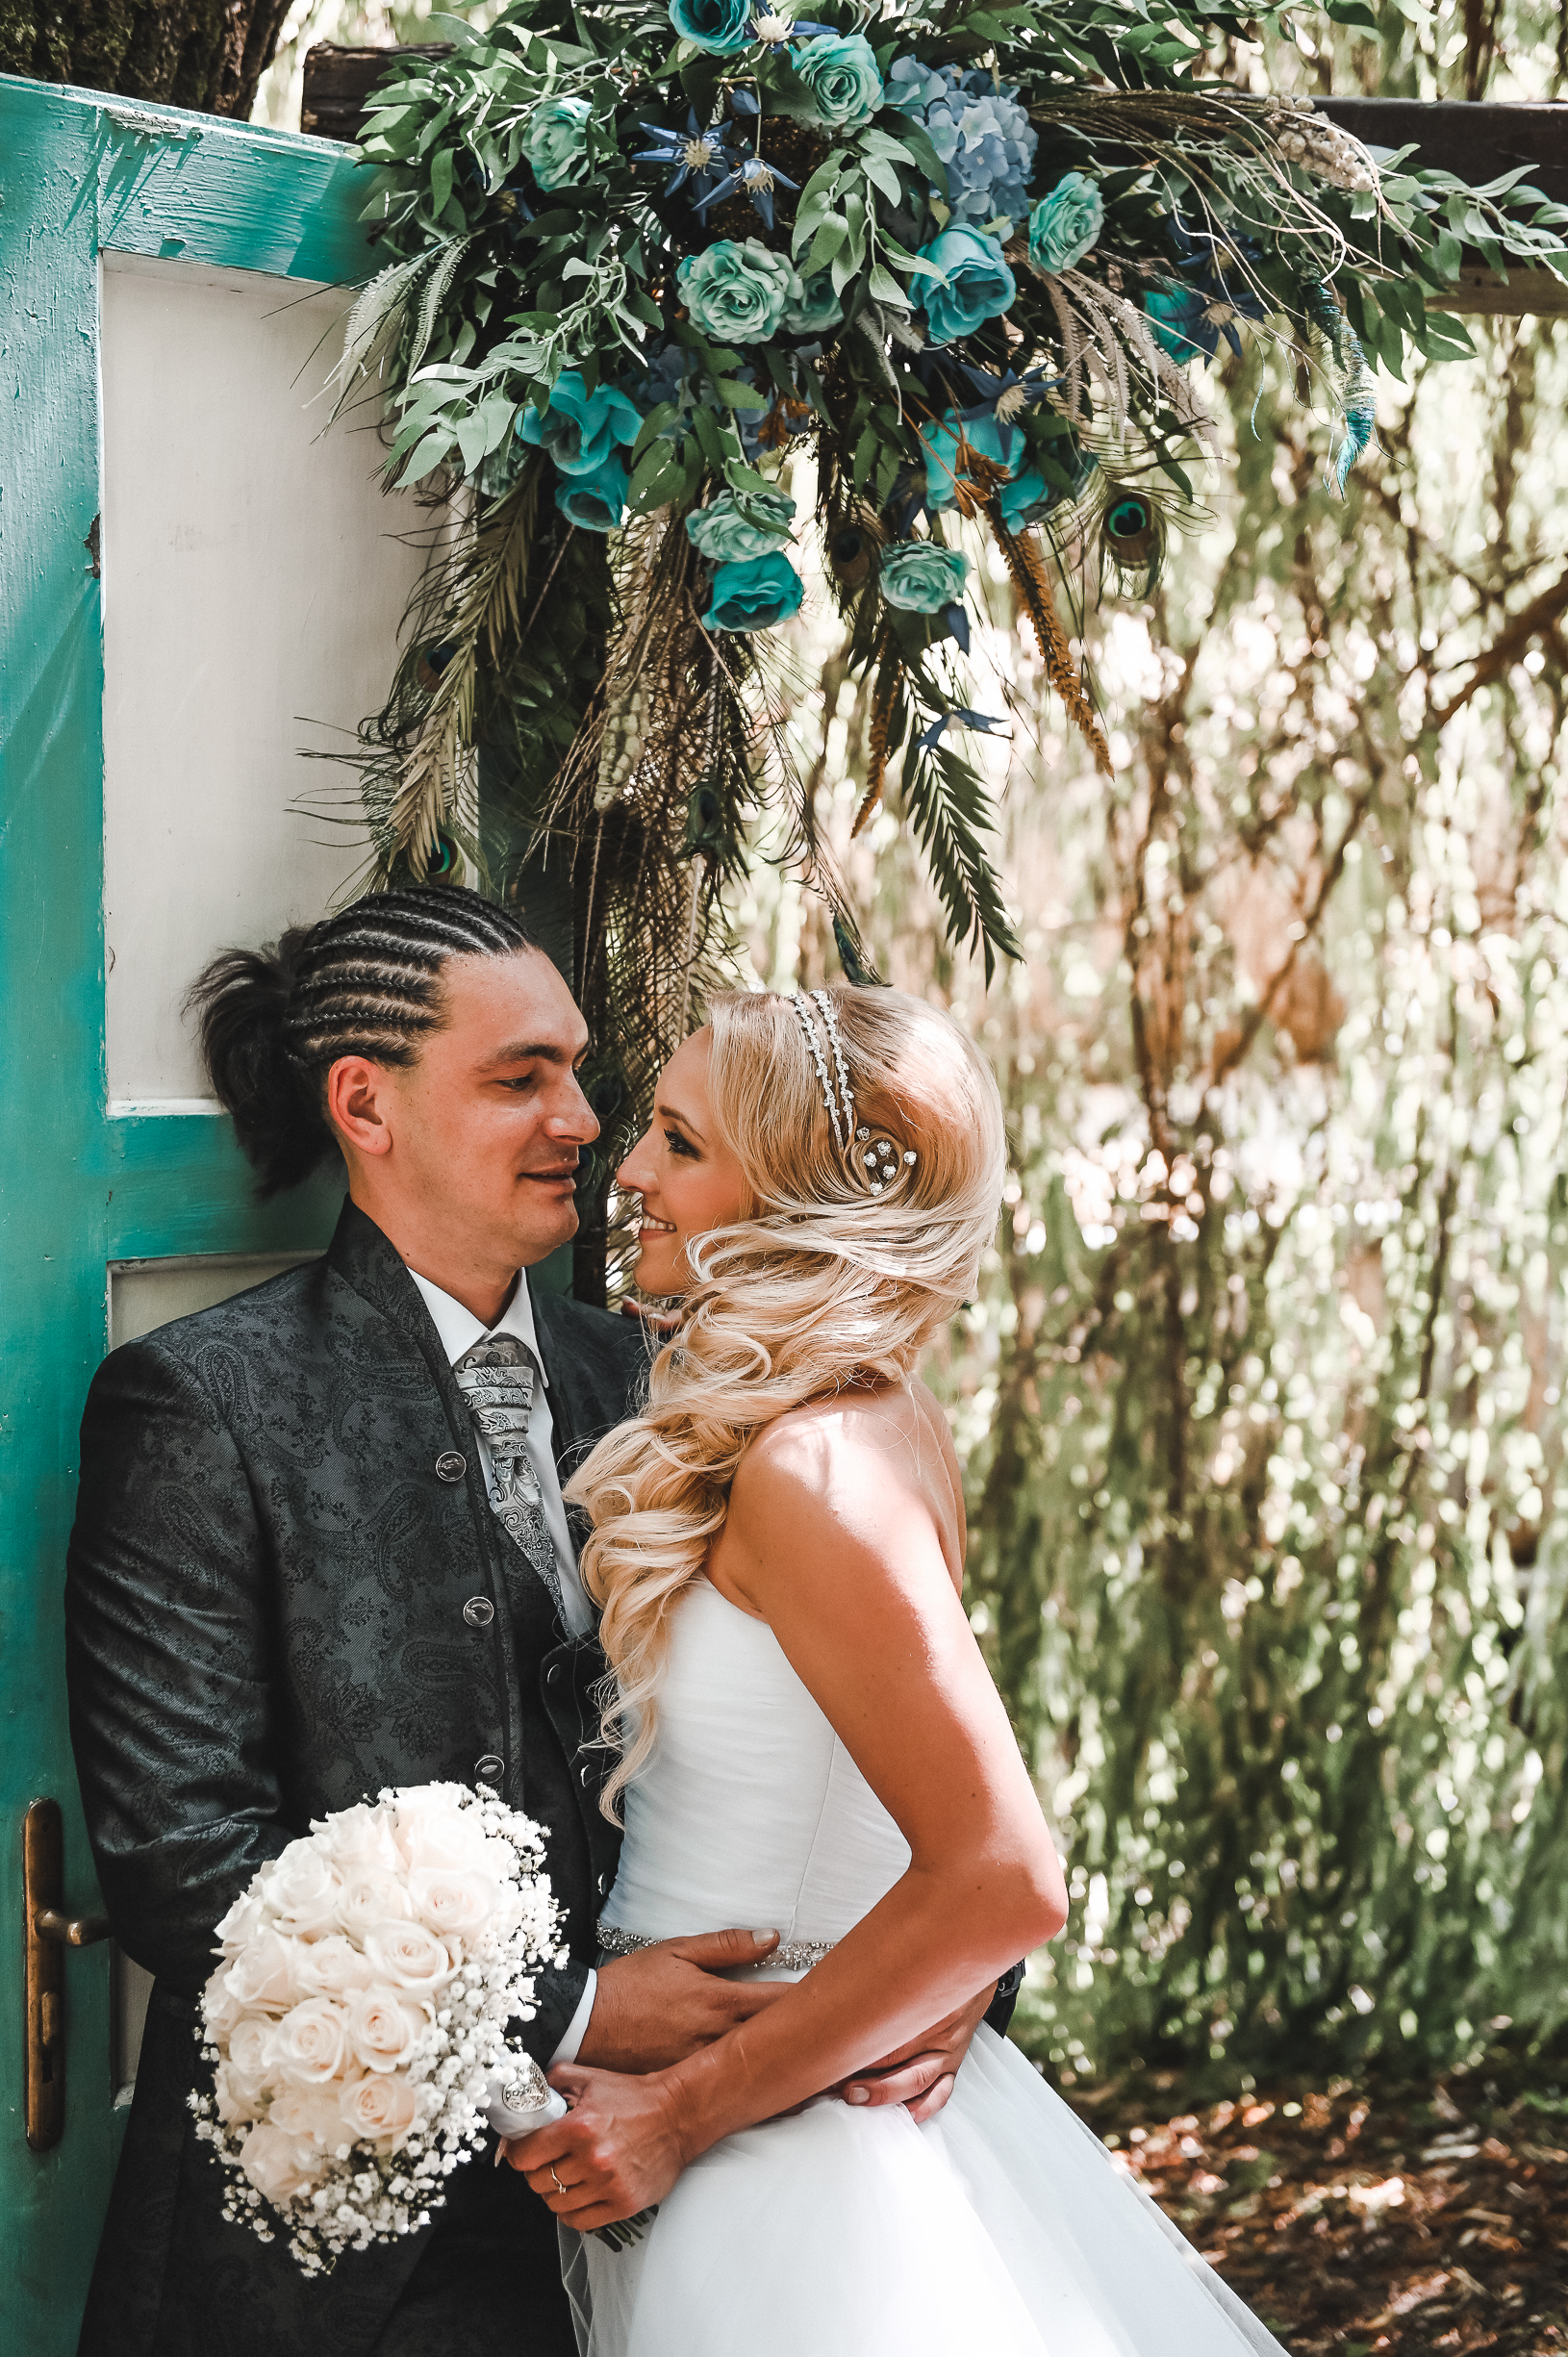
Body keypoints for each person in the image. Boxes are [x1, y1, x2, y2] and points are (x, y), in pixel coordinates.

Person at [64, 887, 998, 2357]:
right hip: (353, 2266)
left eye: (579, 1070)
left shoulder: (688, 1381)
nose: (582, 1120)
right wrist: (571, 2016)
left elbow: (906, 1746)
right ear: (364, 1105)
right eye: (521, 1077)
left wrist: (946, 1980)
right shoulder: (207, 1404)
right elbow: (185, 1868)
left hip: (694, 2209)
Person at [505, 985, 1288, 2357]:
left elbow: (1003, 1873)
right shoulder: (869, 1414)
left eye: (681, 1142)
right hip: (777, 2104)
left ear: (798, 1192)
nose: (628, 1172)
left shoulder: (814, 1468)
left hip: (783, 2158)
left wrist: (682, 2109)